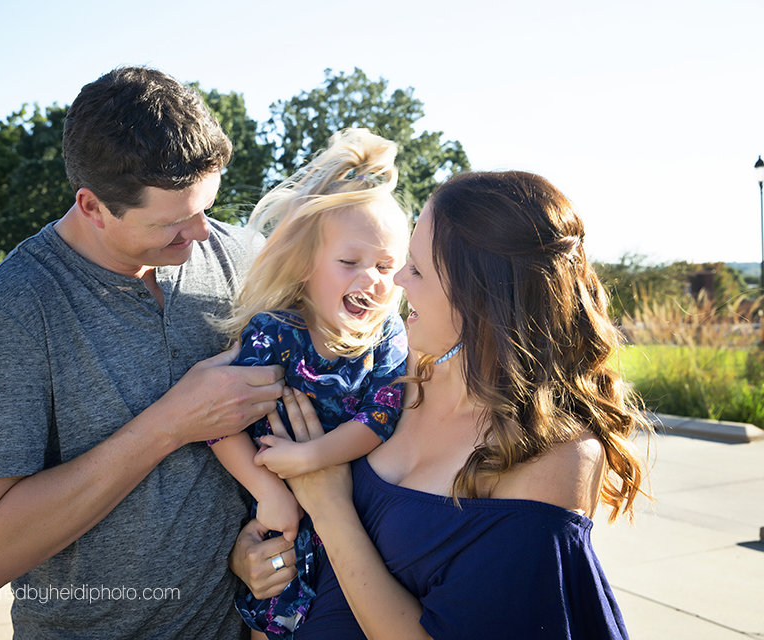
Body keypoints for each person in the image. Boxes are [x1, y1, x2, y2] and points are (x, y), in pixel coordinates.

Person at [0, 66, 284, 640]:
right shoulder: (8, 311)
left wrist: (251, 548)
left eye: (208, 206)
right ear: (92, 206)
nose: (202, 235)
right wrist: (168, 426)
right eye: (172, 223)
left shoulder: (245, 259)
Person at [231, 170, 650, 639]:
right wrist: (251, 558)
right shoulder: (394, 377)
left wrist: (330, 507)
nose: (397, 282)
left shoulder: (554, 456)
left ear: (481, 299)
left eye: (416, 267)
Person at [208, 129, 410, 638]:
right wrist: (268, 489)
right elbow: (216, 422)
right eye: (350, 262)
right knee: (270, 610)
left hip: (356, 528)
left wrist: (308, 459)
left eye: (387, 266)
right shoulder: (275, 332)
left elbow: (379, 419)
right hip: (280, 524)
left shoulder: (387, 337)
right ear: (305, 264)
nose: (372, 278)